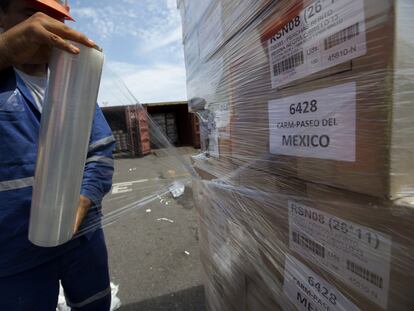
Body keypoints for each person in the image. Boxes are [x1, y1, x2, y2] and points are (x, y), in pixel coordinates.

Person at [0, 0, 115, 310]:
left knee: (94, 304)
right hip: (13, 250)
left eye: (55, 16)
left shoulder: (72, 83)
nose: (43, 23)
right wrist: (4, 50)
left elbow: (101, 149)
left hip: (81, 237)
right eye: (30, 12)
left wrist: (85, 197)